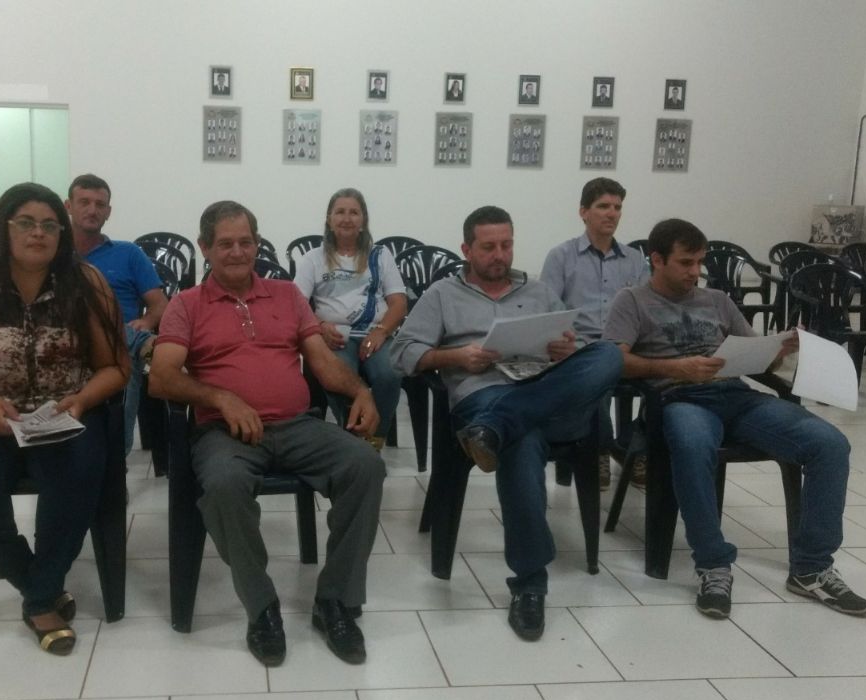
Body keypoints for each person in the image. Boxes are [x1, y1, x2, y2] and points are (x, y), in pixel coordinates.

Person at [149, 200, 386, 667]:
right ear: (205, 248)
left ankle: (335, 601)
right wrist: (221, 398)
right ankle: (262, 608)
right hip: (224, 433)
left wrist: (362, 391)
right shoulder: (186, 305)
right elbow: (161, 377)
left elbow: (322, 363)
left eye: (246, 242)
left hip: (297, 425)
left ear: (257, 243)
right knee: (224, 486)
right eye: (225, 244)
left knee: (366, 466)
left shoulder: (286, 295)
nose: (238, 252)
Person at [603, 218, 866, 620]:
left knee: (830, 444)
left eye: (700, 262)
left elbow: (753, 355)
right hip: (680, 399)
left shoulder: (718, 301)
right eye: (685, 262)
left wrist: (780, 347)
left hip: (736, 396)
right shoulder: (632, 301)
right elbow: (614, 360)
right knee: (693, 446)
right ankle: (713, 564)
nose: (695, 271)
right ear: (656, 260)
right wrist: (676, 368)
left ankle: (812, 567)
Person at [391, 206, 623, 642]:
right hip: (484, 396)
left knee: (608, 355)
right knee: (523, 441)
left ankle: (497, 429)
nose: (500, 255)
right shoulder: (443, 294)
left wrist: (565, 350)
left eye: (507, 244)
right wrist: (456, 357)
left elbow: (573, 344)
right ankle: (531, 583)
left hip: (538, 391)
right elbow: (402, 354)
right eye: (488, 247)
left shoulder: (537, 291)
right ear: (466, 249)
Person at [0, 182, 130, 655]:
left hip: (64, 413)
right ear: (3, 228)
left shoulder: (86, 283)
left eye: (50, 225)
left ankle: (39, 595)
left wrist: (81, 399)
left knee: (79, 473)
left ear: (62, 233)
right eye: (27, 223)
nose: (39, 233)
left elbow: (117, 368)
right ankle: (34, 582)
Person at [541, 178, 647, 487]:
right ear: (583, 212)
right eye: (603, 206)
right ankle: (599, 450)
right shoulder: (561, 256)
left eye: (617, 207)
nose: (612, 213)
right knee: (595, 373)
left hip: (624, 346)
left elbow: (646, 310)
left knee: (666, 382)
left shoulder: (635, 260)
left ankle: (632, 446)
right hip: (579, 347)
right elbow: (548, 311)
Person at [293, 188, 405, 447]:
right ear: (329, 220)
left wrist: (381, 331)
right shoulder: (313, 258)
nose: (346, 218)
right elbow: (296, 303)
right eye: (340, 212)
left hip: (375, 333)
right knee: (341, 380)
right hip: (333, 337)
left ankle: (374, 439)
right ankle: (353, 440)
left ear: (363, 220)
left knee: (389, 374)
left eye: (354, 212)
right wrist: (319, 326)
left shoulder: (380, 256)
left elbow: (399, 302)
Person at [65, 173, 168, 457]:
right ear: (68, 206)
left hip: (116, 347)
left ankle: (114, 460)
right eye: (84, 202)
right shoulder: (52, 254)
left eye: (100, 204)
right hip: (66, 341)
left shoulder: (128, 253)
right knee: (129, 342)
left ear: (108, 212)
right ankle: (149, 347)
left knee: (123, 347)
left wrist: (147, 321)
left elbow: (160, 304)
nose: (92, 210)